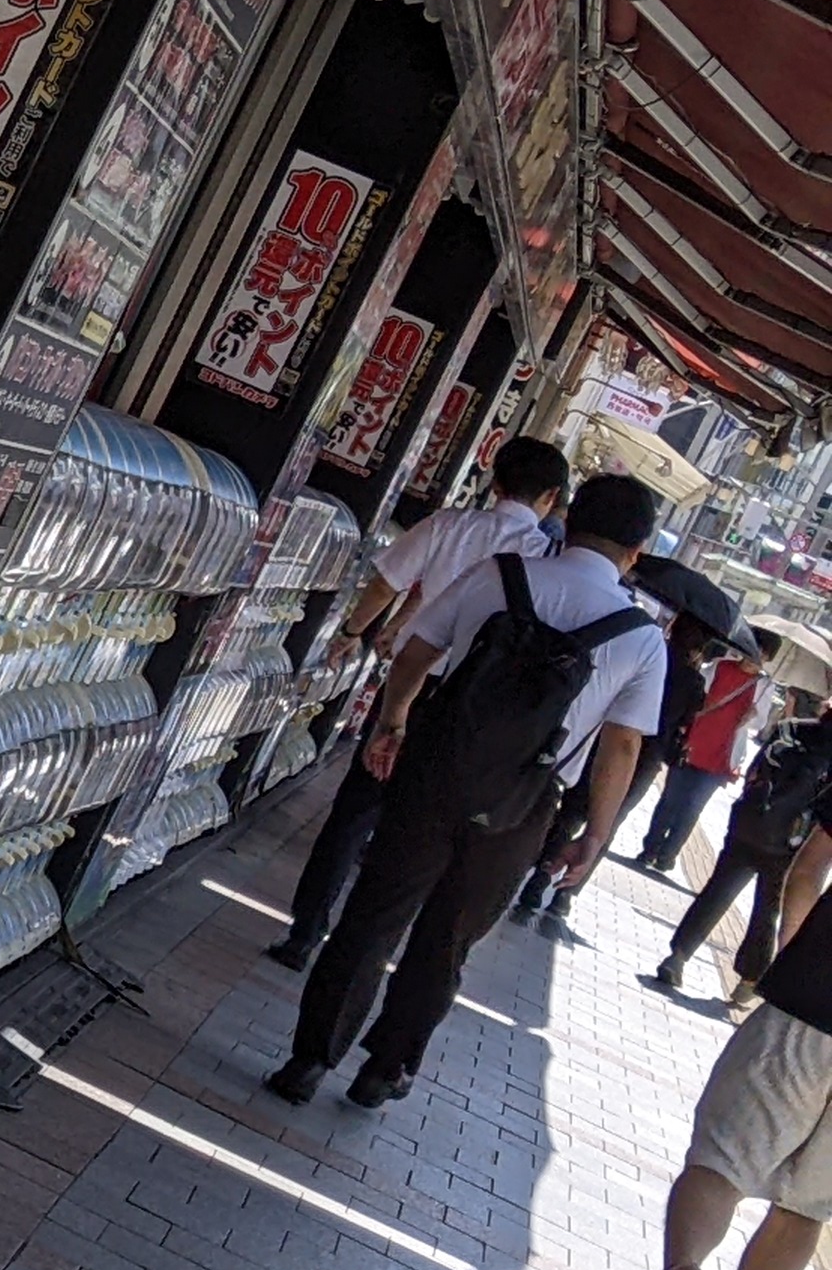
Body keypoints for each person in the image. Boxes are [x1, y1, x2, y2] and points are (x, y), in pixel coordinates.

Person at [268, 474, 671, 1108]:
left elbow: (412, 652)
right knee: (447, 941)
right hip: (525, 805)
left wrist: (394, 722)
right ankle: (385, 1069)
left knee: (372, 919)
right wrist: (595, 834)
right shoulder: (642, 639)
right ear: (638, 551)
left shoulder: (498, 574)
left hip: (434, 771)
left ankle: (309, 1060)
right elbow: (621, 747)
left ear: (565, 519)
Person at [270, 436, 573, 968]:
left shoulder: (450, 525)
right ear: (551, 496)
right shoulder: (545, 558)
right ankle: (368, 949)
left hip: (409, 685)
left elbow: (388, 581)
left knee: (355, 810)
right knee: (420, 827)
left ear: (494, 480)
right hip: (475, 709)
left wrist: (352, 631)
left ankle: (305, 932)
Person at [621, 813, 832, 1270]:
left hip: (812, 998)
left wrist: (797, 949)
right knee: (807, 1205)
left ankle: (683, 1268)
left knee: (721, 1161)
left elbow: (810, 867)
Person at [513, 616, 724, 926]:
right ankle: (565, 896)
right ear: (699, 647)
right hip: (643, 762)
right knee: (607, 823)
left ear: (672, 630)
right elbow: (686, 720)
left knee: (570, 813)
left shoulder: (647, 656)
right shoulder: (693, 683)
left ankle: (538, 881)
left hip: (606, 744)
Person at [648, 694, 832, 999]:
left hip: (749, 825)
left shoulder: (790, 728)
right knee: (766, 910)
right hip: (791, 844)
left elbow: (756, 771)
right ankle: (749, 981)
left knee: (717, 889)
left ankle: (677, 956)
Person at [637, 640, 766, 870]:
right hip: (693, 744)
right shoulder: (720, 666)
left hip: (722, 757)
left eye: (761, 655)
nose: (753, 658)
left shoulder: (765, 686)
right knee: (669, 800)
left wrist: (752, 718)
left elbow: (762, 721)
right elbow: (697, 695)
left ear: (767, 658)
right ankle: (649, 849)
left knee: (692, 807)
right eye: (752, 651)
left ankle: (667, 855)